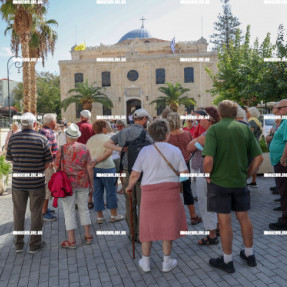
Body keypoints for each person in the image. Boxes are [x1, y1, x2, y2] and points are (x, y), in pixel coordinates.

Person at [202, 100, 263, 273]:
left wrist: (207, 177)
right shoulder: (244, 128)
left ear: (219, 114)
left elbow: (208, 160)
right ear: (236, 114)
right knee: (244, 218)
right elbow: (259, 158)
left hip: (219, 183)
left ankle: (227, 261)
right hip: (239, 182)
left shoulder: (214, 129)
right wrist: (247, 175)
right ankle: (249, 254)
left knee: (224, 221)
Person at [126, 119, 188, 272]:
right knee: (168, 226)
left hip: (149, 193)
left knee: (147, 226)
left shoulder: (145, 151)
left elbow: (134, 174)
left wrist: (129, 187)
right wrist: (176, 182)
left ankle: (145, 261)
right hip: (170, 192)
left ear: (150, 134)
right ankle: (166, 261)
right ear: (167, 134)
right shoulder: (175, 150)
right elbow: (185, 175)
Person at [104, 108, 153, 242]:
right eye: (146, 119)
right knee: (143, 205)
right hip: (143, 173)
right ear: (143, 119)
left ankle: (132, 234)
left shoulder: (123, 132)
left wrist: (120, 149)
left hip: (126, 171)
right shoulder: (146, 134)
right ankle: (142, 234)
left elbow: (106, 143)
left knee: (130, 204)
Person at [6, 112, 52, 254]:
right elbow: (48, 162)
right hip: (36, 183)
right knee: (36, 214)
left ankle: (18, 244)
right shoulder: (41, 139)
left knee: (18, 214)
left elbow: (11, 159)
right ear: (34, 124)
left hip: (19, 183)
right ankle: (34, 244)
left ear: (21, 124)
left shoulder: (13, 139)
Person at [54, 123, 93, 248]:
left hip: (67, 185)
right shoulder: (84, 148)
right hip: (83, 182)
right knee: (84, 209)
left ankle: (71, 241)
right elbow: (89, 166)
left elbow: (56, 166)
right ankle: (88, 236)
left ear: (66, 136)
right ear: (77, 136)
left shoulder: (62, 149)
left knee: (69, 212)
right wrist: (92, 183)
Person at [187, 107, 220, 245]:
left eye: (199, 117)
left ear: (208, 118)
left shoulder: (210, 133)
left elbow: (190, 147)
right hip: (215, 172)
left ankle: (211, 234)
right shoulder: (218, 130)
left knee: (206, 203)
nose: (197, 120)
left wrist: (197, 145)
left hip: (205, 172)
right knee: (214, 203)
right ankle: (216, 228)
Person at [166, 112, 201, 225]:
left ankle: (173, 218)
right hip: (185, 166)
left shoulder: (167, 136)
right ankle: (193, 216)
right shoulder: (186, 134)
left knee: (172, 191)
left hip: (172, 169)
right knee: (187, 190)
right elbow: (194, 147)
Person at [87, 120, 124, 224]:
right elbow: (109, 152)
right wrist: (97, 160)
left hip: (94, 169)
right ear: (103, 128)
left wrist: (93, 162)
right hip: (107, 168)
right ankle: (113, 215)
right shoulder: (108, 138)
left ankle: (100, 217)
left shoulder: (90, 140)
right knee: (111, 191)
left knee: (97, 193)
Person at [269, 99, 287, 230]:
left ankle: (285, 221)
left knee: (284, 190)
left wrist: (283, 158)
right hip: (279, 161)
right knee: (283, 190)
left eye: (280, 108)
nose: (277, 110)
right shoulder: (283, 122)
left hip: (282, 163)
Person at [39, 113, 58, 221]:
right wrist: (51, 162)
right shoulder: (49, 133)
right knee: (47, 188)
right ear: (52, 122)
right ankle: (44, 211)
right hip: (48, 165)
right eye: (55, 120)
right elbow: (48, 150)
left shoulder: (42, 131)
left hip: (43, 164)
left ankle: (44, 208)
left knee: (45, 187)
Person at [76, 109, 95, 209]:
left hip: (76, 154)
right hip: (89, 153)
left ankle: (77, 200)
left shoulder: (75, 126)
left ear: (81, 116)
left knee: (76, 175)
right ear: (89, 117)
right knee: (89, 176)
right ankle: (90, 200)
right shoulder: (92, 127)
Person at [246, 107, 262, 188]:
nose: (246, 114)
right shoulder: (257, 120)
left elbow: (250, 133)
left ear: (251, 113)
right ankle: (253, 181)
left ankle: (246, 181)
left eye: (247, 112)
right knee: (254, 161)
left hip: (251, 144)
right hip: (256, 142)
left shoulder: (252, 121)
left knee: (248, 162)